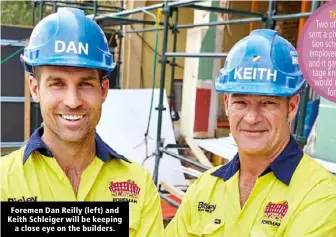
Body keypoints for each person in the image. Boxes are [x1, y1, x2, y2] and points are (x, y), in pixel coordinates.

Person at [0, 7, 164, 237]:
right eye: (57, 83)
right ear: (35, 89)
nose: (73, 101)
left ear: (103, 90)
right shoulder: (4, 183)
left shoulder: (139, 185)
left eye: (85, 84)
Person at [164, 29, 336, 237]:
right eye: (241, 102)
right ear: (227, 104)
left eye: (267, 103)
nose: (252, 118)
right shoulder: (204, 188)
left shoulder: (321, 195)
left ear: (291, 107)